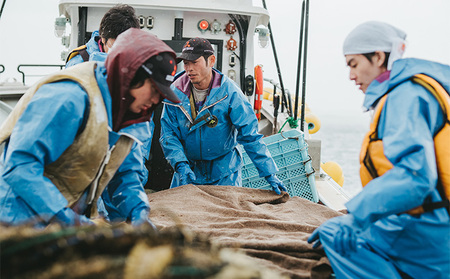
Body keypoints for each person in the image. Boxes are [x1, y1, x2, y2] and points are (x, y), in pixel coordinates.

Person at [308, 21, 450, 278]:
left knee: (332, 233)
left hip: (427, 232)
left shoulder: (402, 96)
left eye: (354, 64)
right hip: (438, 224)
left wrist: (356, 216)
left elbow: (416, 177)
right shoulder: (420, 89)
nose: (351, 76)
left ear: (378, 56)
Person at [0, 28, 180, 228]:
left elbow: (123, 176)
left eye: (161, 94)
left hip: (61, 224)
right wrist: (66, 218)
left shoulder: (132, 117)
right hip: (13, 218)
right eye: (153, 89)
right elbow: (20, 165)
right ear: (128, 73)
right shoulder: (69, 98)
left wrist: (137, 211)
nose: (156, 100)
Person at [159, 37, 286, 194]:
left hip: (224, 173)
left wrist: (270, 173)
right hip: (188, 172)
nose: (189, 68)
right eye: (186, 63)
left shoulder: (230, 93)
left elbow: (250, 137)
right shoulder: (174, 93)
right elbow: (168, 135)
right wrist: (181, 165)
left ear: (211, 61)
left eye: (194, 62)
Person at [65, 4, 139, 67]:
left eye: (124, 47)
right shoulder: (78, 63)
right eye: (114, 46)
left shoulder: (137, 64)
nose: (118, 52)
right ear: (103, 38)